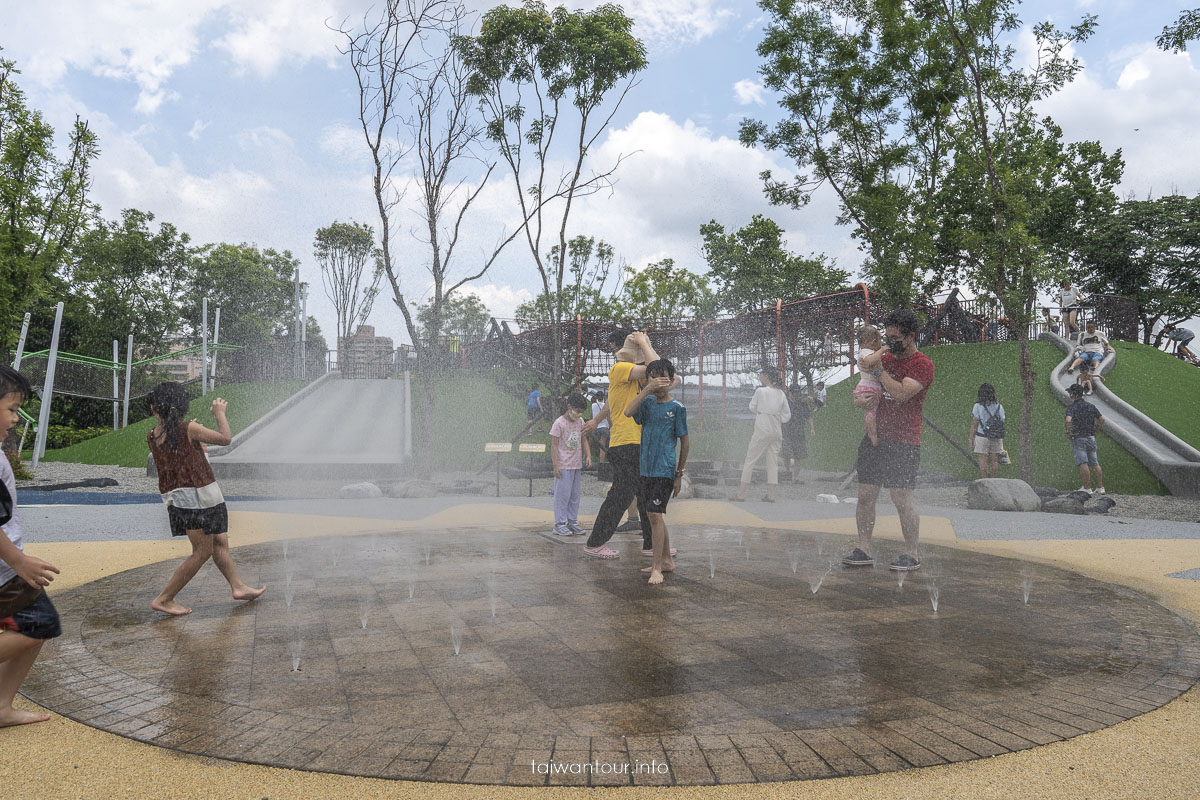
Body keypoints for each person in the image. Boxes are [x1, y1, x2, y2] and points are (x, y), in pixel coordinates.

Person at [146, 383, 265, 615]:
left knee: (219, 540)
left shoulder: (153, 435)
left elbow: (182, 458)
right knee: (202, 551)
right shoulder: (188, 428)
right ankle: (165, 598)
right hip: (200, 497)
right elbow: (225, 439)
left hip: (179, 500)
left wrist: (195, 438)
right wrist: (220, 414)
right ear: (182, 407)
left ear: (154, 409)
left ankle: (238, 586)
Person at [842, 309, 934, 572]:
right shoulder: (886, 359)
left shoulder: (921, 364)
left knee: (901, 498)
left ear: (911, 336)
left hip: (904, 440)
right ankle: (864, 548)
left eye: (896, 339)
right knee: (865, 495)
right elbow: (865, 387)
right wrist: (860, 400)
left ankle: (911, 553)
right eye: (888, 337)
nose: (890, 344)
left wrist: (881, 370)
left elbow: (902, 393)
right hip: (875, 439)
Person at [0, 364, 62, 728]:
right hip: (7, 571)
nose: (15, 419)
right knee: (38, 626)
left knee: (36, 625)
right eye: (10, 409)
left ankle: (2, 706)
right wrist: (19, 560)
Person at [581, 331, 663, 558]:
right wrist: (644, 343)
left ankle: (650, 544)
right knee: (621, 494)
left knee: (644, 494)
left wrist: (596, 420)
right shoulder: (619, 368)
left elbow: (612, 402)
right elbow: (655, 368)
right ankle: (595, 542)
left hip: (638, 442)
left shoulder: (632, 380)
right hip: (626, 442)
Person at [625, 360, 689, 585]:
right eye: (652, 377)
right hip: (646, 468)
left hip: (664, 469)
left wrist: (679, 474)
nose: (656, 381)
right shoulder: (648, 403)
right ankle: (667, 561)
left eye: (662, 377)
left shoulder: (677, 408)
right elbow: (627, 411)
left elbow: (684, 441)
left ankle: (656, 568)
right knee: (655, 515)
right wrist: (646, 390)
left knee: (653, 515)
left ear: (671, 381)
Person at [731, 367, 791, 502]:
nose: (760, 377)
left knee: (750, 459)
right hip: (776, 429)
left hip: (762, 427)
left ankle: (740, 494)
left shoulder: (760, 391)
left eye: (761, 375)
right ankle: (771, 495)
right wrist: (776, 418)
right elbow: (787, 415)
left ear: (766, 376)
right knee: (773, 462)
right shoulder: (781, 393)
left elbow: (752, 407)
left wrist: (763, 412)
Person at [550, 393, 592, 536]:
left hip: (576, 465)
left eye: (581, 412)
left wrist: (588, 455)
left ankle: (572, 521)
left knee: (575, 495)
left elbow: (584, 439)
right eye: (577, 410)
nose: (579, 414)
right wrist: (556, 466)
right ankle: (559, 523)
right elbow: (554, 445)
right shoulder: (559, 423)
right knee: (562, 495)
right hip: (563, 466)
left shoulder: (580, 422)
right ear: (569, 407)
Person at [1065, 383, 1106, 495]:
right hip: (1091, 437)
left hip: (1079, 438)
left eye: (1069, 392)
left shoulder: (1072, 407)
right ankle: (1100, 488)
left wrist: (1068, 432)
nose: (1069, 394)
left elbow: (1068, 420)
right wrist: (1096, 431)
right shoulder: (1090, 406)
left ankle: (1087, 488)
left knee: (1083, 463)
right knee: (1095, 463)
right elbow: (1102, 419)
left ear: (1073, 394)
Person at [853, 325, 884, 446]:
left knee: (871, 412)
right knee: (871, 413)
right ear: (874, 341)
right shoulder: (866, 352)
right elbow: (870, 361)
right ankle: (872, 433)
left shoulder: (867, 351)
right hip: (869, 386)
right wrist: (882, 350)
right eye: (880, 342)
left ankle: (869, 428)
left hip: (869, 386)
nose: (881, 344)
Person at [969, 383, 1005, 479]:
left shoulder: (977, 406)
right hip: (997, 436)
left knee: (982, 459)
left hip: (982, 436)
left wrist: (971, 439)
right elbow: (1002, 420)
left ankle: (985, 480)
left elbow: (974, 424)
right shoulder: (999, 406)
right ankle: (993, 480)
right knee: (994, 460)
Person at [782, 385, 815, 480]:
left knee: (798, 457)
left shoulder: (802, 403)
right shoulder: (785, 403)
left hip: (799, 433)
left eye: (798, 393)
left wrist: (812, 428)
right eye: (794, 393)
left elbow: (808, 416)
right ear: (790, 393)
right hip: (786, 432)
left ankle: (795, 478)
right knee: (787, 454)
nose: (796, 395)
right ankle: (787, 471)